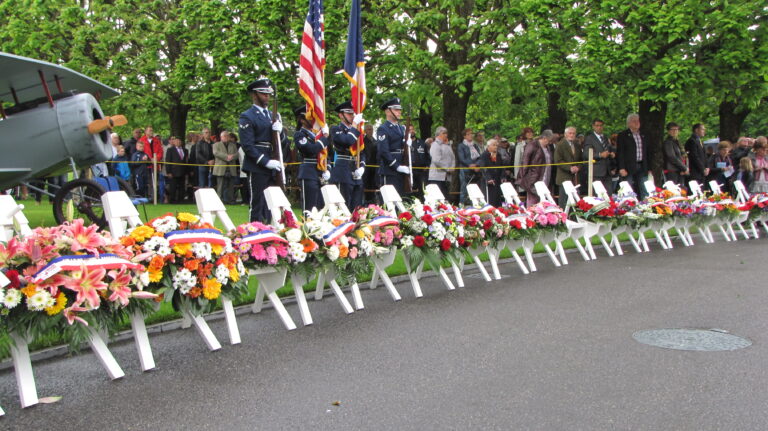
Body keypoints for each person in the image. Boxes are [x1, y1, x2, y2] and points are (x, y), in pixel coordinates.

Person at [239, 78, 287, 223]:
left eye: (268, 94)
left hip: (274, 161)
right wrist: (265, 162)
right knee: (258, 202)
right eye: (263, 94)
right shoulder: (247, 116)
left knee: (272, 203)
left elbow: (281, 142)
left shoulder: (274, 115)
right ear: (254, 95)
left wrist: (281, 132)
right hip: (258, 165)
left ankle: (271, 230)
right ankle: (255, 232)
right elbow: (247, 145)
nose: (267, 97)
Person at [294, 105, 330, 212]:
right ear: (302, 120)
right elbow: (311, 149)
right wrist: (325, 137)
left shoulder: (318, 136)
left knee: (322, 209)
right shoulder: (299, 135)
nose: (314, 120)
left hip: (321, 173)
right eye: (310, 117)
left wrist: (327, 168)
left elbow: (326, 153)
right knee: (309, 208)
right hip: (308, 172)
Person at [330, 101, 365, 210]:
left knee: (357, 208)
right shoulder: (336, 129)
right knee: (343, 207)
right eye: (349, 113)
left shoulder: (356, 131)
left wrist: (362, 166)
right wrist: (354, 125)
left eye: (353, 114)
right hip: (343, 170)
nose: (352, 116)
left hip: (356, 170)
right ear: (341, 115)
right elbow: (347, 141)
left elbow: (362, 151)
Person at [376, 97, 410, 195]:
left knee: (402, 200)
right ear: (388, 111)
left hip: (402, 167)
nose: (399, 112)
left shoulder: (401, 128)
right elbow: (383, 151)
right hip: (390, 170)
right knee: (390, 200)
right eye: (396, 109)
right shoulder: (383, 129)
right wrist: (396, 166)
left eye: (400, 110)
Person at [616, 113, 652, 199]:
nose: (637, 123)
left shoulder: (644, 135)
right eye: (634, 121)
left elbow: (648, 152)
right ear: (628, 123)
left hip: (642, 166)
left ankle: (646, 207)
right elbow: (620, 153)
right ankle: (629, 206)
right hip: (628, 167)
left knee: (644, 188)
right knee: (628, 189)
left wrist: (650, 168)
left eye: (638, 120)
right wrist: (621, 167)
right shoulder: (623, 135)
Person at [517, 135, 551, 206]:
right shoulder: (532, 145)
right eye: (548, 140)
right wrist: (524, 176)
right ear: (544, 138)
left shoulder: (547, 148)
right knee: (532, 199)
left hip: (545, 176)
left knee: (542, 199)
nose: (549, 142)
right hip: (533, 177)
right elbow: (525, 161)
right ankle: (531, 215)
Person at [582, 119, 614, 193]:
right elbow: (586, 154)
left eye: (601, 126)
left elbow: (608, 149)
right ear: (593, 126)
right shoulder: (589, 138)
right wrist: (599, 155)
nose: (599, 127)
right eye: (597, 126)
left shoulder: (605, 137)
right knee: (598, 194)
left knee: (608, 193)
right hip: (596, 171)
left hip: (607, 171)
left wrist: (611, 153)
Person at [554, 127, 582, 208]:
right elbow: (558, 161)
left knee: (575, 201)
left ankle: (574, 218)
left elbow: (581, 160)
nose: (572, 135)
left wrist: (578, 167)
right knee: (564, 201)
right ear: (565, 134)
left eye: (573, 133)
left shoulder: (577, 145)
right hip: (564, 177)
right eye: (570, 133)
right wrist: (570, 168)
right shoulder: (560, 145)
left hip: (575, 178)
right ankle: (563, 219)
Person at [139, 126, 165, 202]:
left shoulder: (156, 141)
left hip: (155, 164)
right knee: (147, 182)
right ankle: (148, 197)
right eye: (150, 130)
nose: (151, 132)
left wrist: (156, 158)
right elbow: (142, 151)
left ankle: (155, 198)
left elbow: (160, 151)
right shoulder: (142, 140)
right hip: (146, 165)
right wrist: (150, 158)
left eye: (152, 130)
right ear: (146, 132)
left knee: (155, 181)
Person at [428, 126, 455, 199]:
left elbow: (452, 158)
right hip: (436, 176)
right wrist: (448, 168)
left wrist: (452, 168)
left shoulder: (447, 145)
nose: (446, 135)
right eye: (444, 133)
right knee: (437, 198)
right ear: (438, 134)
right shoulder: (435, 145)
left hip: (446, 177)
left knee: (446, 197)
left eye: (446, 133)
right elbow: (436, 160)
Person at [212, 130, 239, 204]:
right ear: (221, 137)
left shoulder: (233, 145)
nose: (227, 137)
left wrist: (232, 157)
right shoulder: (216, 145)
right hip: (221, 169)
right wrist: (226, 157)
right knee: (220, 186)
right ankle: (219, 200)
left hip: (231, 168)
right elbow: (216, 153)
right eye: (225, 136)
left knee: (231, 185)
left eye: (227, 136)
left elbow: (237, 154)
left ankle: (230, 200)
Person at [457, 128, 482, 205]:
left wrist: (477, 165)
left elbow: (479, 157)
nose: (471, 135)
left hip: (476, 171)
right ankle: (462, 205)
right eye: (468, 134)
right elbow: (461, 158)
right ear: (464, 136)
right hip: (465, 170)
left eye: (472, 134)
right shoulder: (461, 146)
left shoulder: (475, 145)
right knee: (464, 189)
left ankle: (475, 204)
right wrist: (470, 165)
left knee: (475, 188)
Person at [662, 122, 688, 186]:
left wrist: (684, 168)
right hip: (672, 170)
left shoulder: (677, 141)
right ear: (668, 131)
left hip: (679, 170)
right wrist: (684, 168)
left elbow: (683, 156)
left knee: (682, 190)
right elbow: (671, 157)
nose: (675, 131)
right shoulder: (668, 142)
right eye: (672, 129)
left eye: (676, 129)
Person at [165, 136, 189, 203]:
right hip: (173, 172)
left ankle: (181, 200)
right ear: (174, 142)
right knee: (173, 187)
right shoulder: (170, 150)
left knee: (182, 187)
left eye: (179, 141)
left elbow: (186, 161)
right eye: (176, 141)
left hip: (182, 171)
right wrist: (168, 172)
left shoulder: (185, 150)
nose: (178, 142)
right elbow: (168, 161)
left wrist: (187, 172)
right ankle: (172, 200)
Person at [409, 124, 430, 199]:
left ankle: (423, 204)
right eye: (409, 130)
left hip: (421, 170)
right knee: (410, 190)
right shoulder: (405, 144)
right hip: (409, 171)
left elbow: (427, 156)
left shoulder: (422, 142)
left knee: (423, 190)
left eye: (412, 129)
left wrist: (427, 166)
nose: (411, 131)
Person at [480, 139, 504, 206]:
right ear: (488, 146)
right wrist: (488, 178)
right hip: (488, 181)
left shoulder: (498, 155)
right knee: (490, 199)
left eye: (496, 145)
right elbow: (483, 167)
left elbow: (502, 167)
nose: (496, 147)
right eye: (493, 145)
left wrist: (503, 176)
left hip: (497, 180)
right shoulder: (484, 155)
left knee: (497, 199)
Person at [685, 123, 709, 188]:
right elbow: (694, 156)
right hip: (695, 171)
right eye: (702, 129)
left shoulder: (699, 141)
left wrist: (707, 167)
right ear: (696, 130)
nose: (704, 131)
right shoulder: (692, 141)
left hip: (701, 172)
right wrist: (702, 168)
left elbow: (704, 156)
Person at [362, 123, 377, 204]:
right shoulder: (363, 142)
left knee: (373, 184)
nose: (370, 131)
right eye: (369, 129)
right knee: (365, 184)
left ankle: (372, 201)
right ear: (365, 131)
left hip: (374, 167)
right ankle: (365, 201)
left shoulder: (376, 141)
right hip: (366, 166)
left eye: (371, 129)